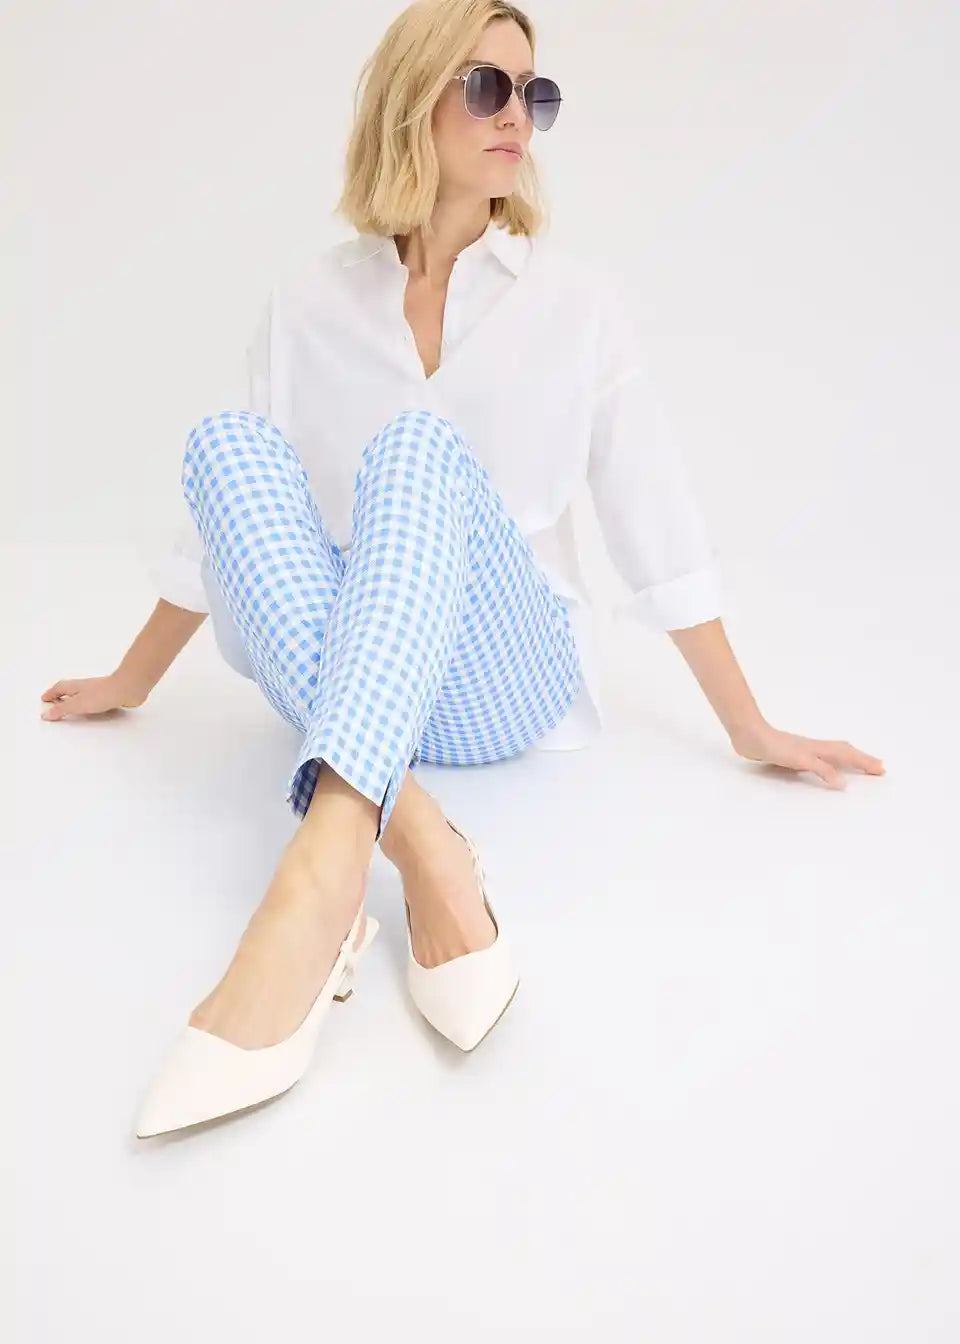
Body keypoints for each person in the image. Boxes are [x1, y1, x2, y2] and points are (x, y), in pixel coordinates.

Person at [38, 0, 885, 1138]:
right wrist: (131, 680)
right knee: (227, 448)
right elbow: (221, 536)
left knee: (416, 450)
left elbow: (654, 518)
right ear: (412, 99)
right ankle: (426, 846)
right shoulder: (309, 302)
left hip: (499, 673)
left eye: (535, 95)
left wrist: (750, 726)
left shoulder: (576, 304)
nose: (516, 117)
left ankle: (318, 880)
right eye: (486, 87)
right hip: (350, 667)